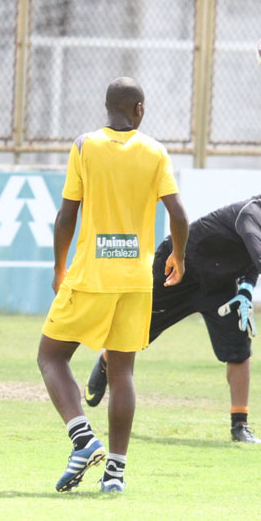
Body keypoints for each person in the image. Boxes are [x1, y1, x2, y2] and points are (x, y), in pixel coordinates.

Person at [83, 167, 261, 444]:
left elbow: (254, 259)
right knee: (135, 334)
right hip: (177, 271)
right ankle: (107, 360)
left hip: (218, 287)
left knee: (239, 350)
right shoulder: (250, 213)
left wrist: (245, 290)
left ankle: (240, 426)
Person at [37, 77, 189, 493]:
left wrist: (58, 266)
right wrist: (178, 255)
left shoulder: (85, 146)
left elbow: (67, 215)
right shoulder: (155, 152)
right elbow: (178, 214)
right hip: (137, 280)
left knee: (51, 357)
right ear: (138, 109)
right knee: (122, 371)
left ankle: (83, 440)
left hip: (92, 274)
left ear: (108, 109)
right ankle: (116, 474)